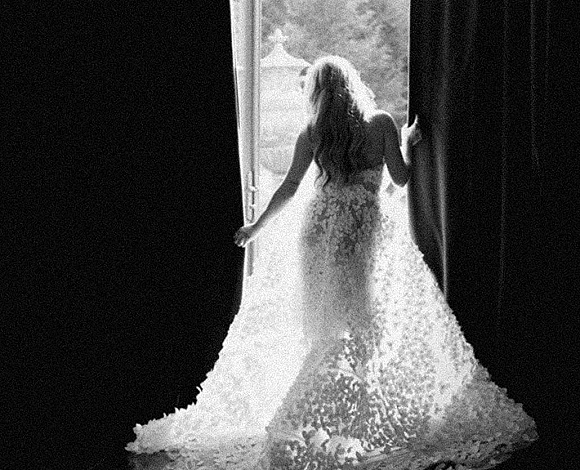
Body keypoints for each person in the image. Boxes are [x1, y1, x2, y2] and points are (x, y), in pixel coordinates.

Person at [127, 56, 538, 470]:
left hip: (322, 228)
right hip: (361, 226)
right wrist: (407, 142)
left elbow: (289, 188)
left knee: (328, 317)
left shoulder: (312, 132)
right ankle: (345, 404)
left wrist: (256, 227)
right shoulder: (379, 123)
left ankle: (328, 402)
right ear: (352, 85)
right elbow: (399, 180)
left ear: (318, 95)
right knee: (361, 317)